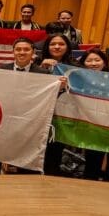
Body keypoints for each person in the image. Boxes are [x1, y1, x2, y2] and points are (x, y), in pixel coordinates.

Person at [0, 38, 51, 174]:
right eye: (18, 49)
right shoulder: (2, 69)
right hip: (4, 117)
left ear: (33, 52)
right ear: (13, 52)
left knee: (25, 151)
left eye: (26, 49)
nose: (22, 52)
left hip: (28, 120)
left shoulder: (43, 74)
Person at [78, 49, 109, 182]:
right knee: (92, 164)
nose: (93, 63)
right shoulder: (79, 79)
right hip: (93, 126)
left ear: (105, 62)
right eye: (89, 61)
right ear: (83, 64)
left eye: (97, 60)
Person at [35, 32, 74, 176]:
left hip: (62, 113)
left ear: (68, 47)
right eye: (53, 44)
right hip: (39, 111)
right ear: (47, 46)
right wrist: (41, 67)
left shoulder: (75, 67)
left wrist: (67, 85)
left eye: (61, 44)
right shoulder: (37, 63)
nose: (57, 47)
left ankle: (51, 175)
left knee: (55, 147)